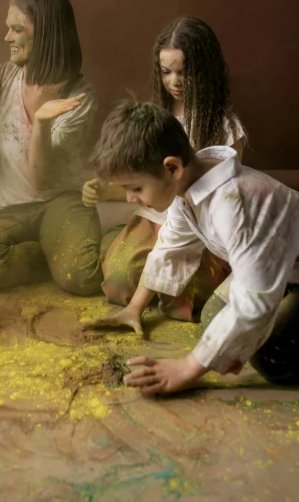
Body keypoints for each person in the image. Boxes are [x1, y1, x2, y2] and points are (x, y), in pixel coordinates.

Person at [86, 100, 299, 394]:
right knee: (215, 319)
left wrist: (187, 368)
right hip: (281, 267)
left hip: (291, 271)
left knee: (269, 355)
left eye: (135, 188)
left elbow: (254, 300)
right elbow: (169, 247)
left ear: (171, 168)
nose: (129, 199)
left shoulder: (234, 205)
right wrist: (135, 307)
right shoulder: (190, 188)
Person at [84, 16, 246, 320]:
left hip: (200, 229)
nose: (174, 82)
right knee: (120, 280)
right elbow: (138, 181)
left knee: (185, 296)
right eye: (166, 72)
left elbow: (225, 204)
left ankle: (130, 253)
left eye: (185, 73)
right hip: (154, 217)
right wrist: (107, 190)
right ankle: (127, 249)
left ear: (206, 72)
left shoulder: (225, 128)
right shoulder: (155, 121)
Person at [0, 0, 102, 294]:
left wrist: (41, 122)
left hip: (60, 201)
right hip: (4, 210)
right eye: (8, 29)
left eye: (17, 30)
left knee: (83, 277)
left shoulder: (78, 95)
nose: (6, 38)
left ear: (47, 35)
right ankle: (48, 252)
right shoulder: (0, 78)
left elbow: (40, 180)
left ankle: (63, 248)